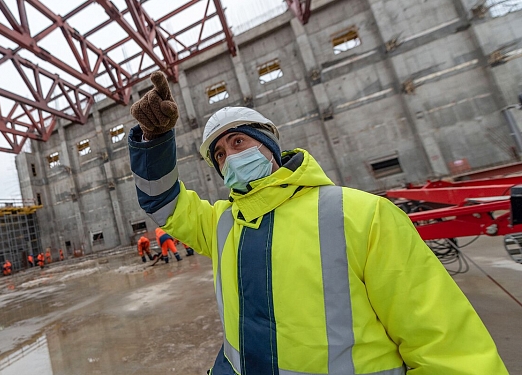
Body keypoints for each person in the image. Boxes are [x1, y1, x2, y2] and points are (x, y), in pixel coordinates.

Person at [127, 71, 507, 374]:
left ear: (268, 145)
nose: (229, 158)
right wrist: (154, 140)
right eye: (221, 155)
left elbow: (444, 342)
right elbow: (163, 201)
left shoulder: (362, 215)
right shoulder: (222, 223)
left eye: (238, 142)